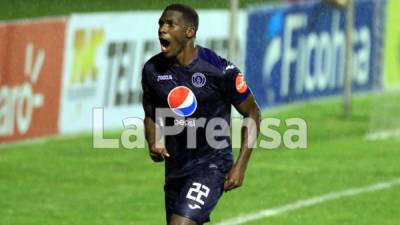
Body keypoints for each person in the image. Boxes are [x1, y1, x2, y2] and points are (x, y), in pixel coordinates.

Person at [141, 3, 261, 225]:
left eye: (169, 24)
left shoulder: (218, 70)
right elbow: (150, 110)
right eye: (160, 24)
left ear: (189, 32)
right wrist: (154, 139)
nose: (162, 29)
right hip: (175, 167)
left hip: (211, 165)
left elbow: (252, 113)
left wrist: (240, 166)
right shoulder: (152, 70)